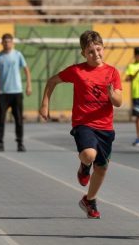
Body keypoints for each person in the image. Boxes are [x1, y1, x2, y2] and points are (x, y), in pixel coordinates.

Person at [39, 30, 122, 219]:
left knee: (101, 169)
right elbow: (52, 81)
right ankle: (84, 167)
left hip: (105, 127)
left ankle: (89, 200)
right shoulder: (77, 71)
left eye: (98, 49)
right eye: (90, 52)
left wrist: (112, 95)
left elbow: (119, 102)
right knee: (88, 154)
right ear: (83, 53)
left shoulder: (112, 72)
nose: (96, 54)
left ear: (103, 48)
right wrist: (45, 104)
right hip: (83, 123)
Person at [0, 33, 32, 152]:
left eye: (9, 41)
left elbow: (26, 70)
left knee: (18, 119)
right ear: (2, 43)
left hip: (16, 92)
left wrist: (29, 85)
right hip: (3, 93)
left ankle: (20, 143)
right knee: (0, 119)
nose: (7, 44)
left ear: (12, 43)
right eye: (5, 41)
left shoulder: (18, 55)